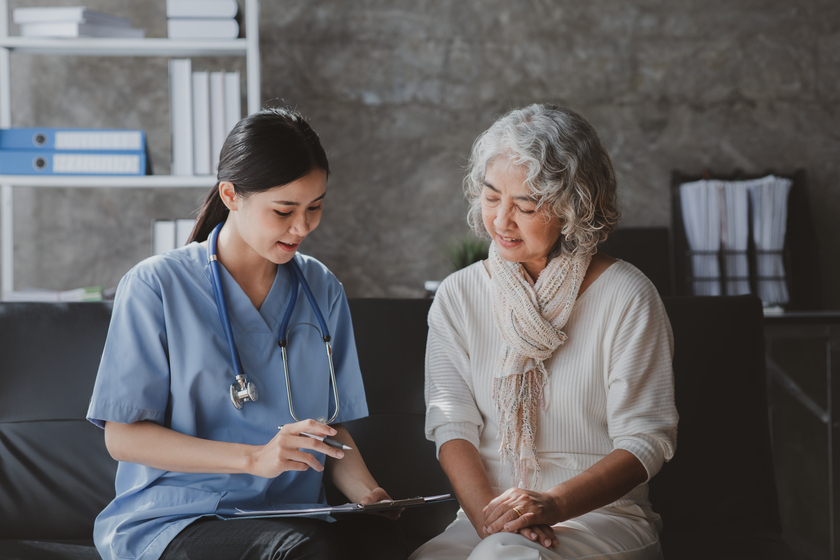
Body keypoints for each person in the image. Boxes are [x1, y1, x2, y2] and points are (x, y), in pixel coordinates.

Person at [86, 107, 408, 560]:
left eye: (314, 207)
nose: (302, 227)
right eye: (284, 210)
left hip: (293, 516)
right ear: (231, 195)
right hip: (179, 518)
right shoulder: (156, 286)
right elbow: (122, 438)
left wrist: (369, 493)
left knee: (382, 544)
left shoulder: (321, 289)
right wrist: (254, 458)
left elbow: (328, 429)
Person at [411, 104, 679, 560]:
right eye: (492, 197)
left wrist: (551, 504)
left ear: (575, 206)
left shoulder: (628, 295)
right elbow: (451, 425)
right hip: (485, 518)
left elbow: (645, 441)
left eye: (526, 205)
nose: (501, 221)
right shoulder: (458, 295)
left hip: (602, 519)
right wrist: (494, 523)